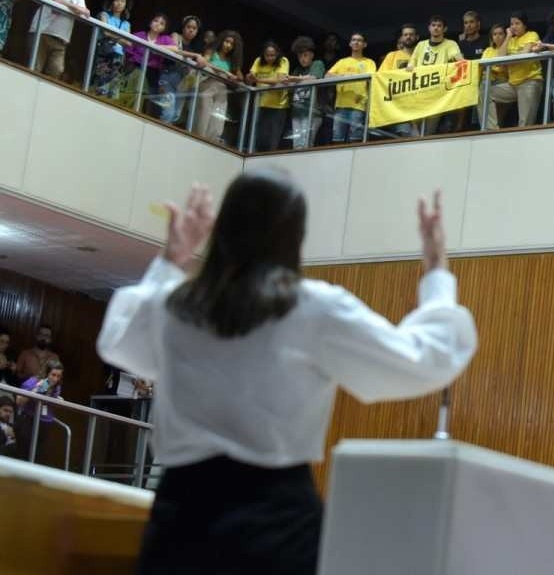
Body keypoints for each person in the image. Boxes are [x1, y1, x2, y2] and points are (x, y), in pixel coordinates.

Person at [96, 172, 476, 574]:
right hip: (277, 523)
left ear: (222, 227)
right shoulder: (314, 309)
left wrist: (171, 261)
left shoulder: (171, 307)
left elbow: (117, 340)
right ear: (295, 236)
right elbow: (423, 358)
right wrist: (436, 271)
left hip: (181, 520)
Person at [29, 0, 90, 79]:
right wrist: (75, 7)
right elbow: (55, 0)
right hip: (42, 32)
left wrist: (73, 7)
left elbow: (84, 11)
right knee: (34, 69)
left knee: (56, 72)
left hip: (61, 38)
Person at [488, 12, 543, 129]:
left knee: (524, 125)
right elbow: (500, 58)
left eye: (517, 23)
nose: (513, 26)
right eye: (511, 24)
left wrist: (507, 60)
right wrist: (507, 37)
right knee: (486, 93)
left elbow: (523, 55)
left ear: (524, 25)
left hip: (529, 82)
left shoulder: (532, 35)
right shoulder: (511, 40)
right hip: (512, 85)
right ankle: (492, 128)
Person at [193, 30, 244, 144]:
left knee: (218, 119)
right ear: (222, 40)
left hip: (222, 90)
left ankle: (212, 143)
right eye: (227, 41)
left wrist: (238, 75)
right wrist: (224, 72)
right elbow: (205, 62)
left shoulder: (231, 60)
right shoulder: (212, 51)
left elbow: (240, 76)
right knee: (203, 115)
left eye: (232, 44)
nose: (228, 45)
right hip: (208, 84)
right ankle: (198, 140)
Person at [128, 13, 180, 119]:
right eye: (156, 21)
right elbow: (129, 50)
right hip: (135, 69)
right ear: (150, 22)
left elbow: (175, 49)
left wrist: (157, 47)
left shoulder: (164, 38)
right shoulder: (140, 35)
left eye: (162, 23)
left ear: (164, 28)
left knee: (148, 103)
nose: (157, 24)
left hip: (152, 73)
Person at [327, 32, 376, 143]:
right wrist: (343, 76)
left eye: (359, 40)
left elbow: (371, 81)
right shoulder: (342, 62)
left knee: (356, 139)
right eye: (353, 40)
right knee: (337, 139)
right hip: (341, 105)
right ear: (350, 43)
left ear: (365, 45)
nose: (356, 42)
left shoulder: (369, 62)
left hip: (359, 104)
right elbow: (327, 76)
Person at [246, 40, 291, 152]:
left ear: (277, 54)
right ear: (263, 55)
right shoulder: (258, 60)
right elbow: (251, 78)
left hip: (278, 106)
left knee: (273, 140)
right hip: (261, 103)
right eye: (267, 55)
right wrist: (249, 77)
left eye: (273, 55)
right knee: (259, 137)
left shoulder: (283, 60)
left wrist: (258, 79)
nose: (270, 58)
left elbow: (279, 80)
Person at [91, 0, 133, 99]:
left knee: (113, 88)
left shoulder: (126, 23)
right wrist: (120, 39)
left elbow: (128, 42)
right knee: (100, 85)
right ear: (111, 2)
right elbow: (106, 32)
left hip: (118, 57)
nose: (119, 3)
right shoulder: (104, 15)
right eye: (117, 0)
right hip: (104, 54)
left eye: (122, 1)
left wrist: (115, 38)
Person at [286, 36, 326, 149]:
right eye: (299, 56)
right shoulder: (297, 69)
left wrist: (295, 79)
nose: (302, 59)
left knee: (306, 142)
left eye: (305, 55)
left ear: (312, 55)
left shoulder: (317, 64)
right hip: (297, 111)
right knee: (297, 143)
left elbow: (314, 78)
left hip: (313, 111)